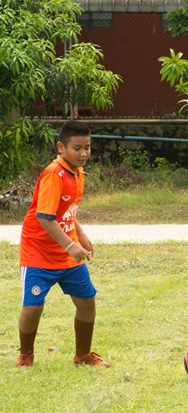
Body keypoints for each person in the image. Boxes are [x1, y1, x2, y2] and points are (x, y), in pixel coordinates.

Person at [16, 120, 110, 368]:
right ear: (61, 147)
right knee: (33, 306)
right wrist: (71, 245)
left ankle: (83, 355)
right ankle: (26, 356)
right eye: (77, 148)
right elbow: (45, 217)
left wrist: (80, 235)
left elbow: (66, 211)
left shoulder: (77, 172)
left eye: (87, 148)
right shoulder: (53, 175)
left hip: (67, 252)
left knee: (87, 302)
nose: (84, 153)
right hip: (39, 253)